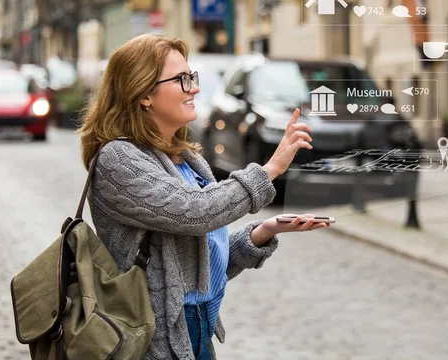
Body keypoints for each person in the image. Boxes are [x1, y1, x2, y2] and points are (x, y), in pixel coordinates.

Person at [77, 34, 329, 360]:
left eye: (192, 76)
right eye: (182, 79)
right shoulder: (118, 159)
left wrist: (262, 232)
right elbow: (194, 212)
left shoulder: (182, 158)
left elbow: (199, 265)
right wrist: (268, 171)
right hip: (150, 341)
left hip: (193, 333)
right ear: (143, 95)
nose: (194, 88)